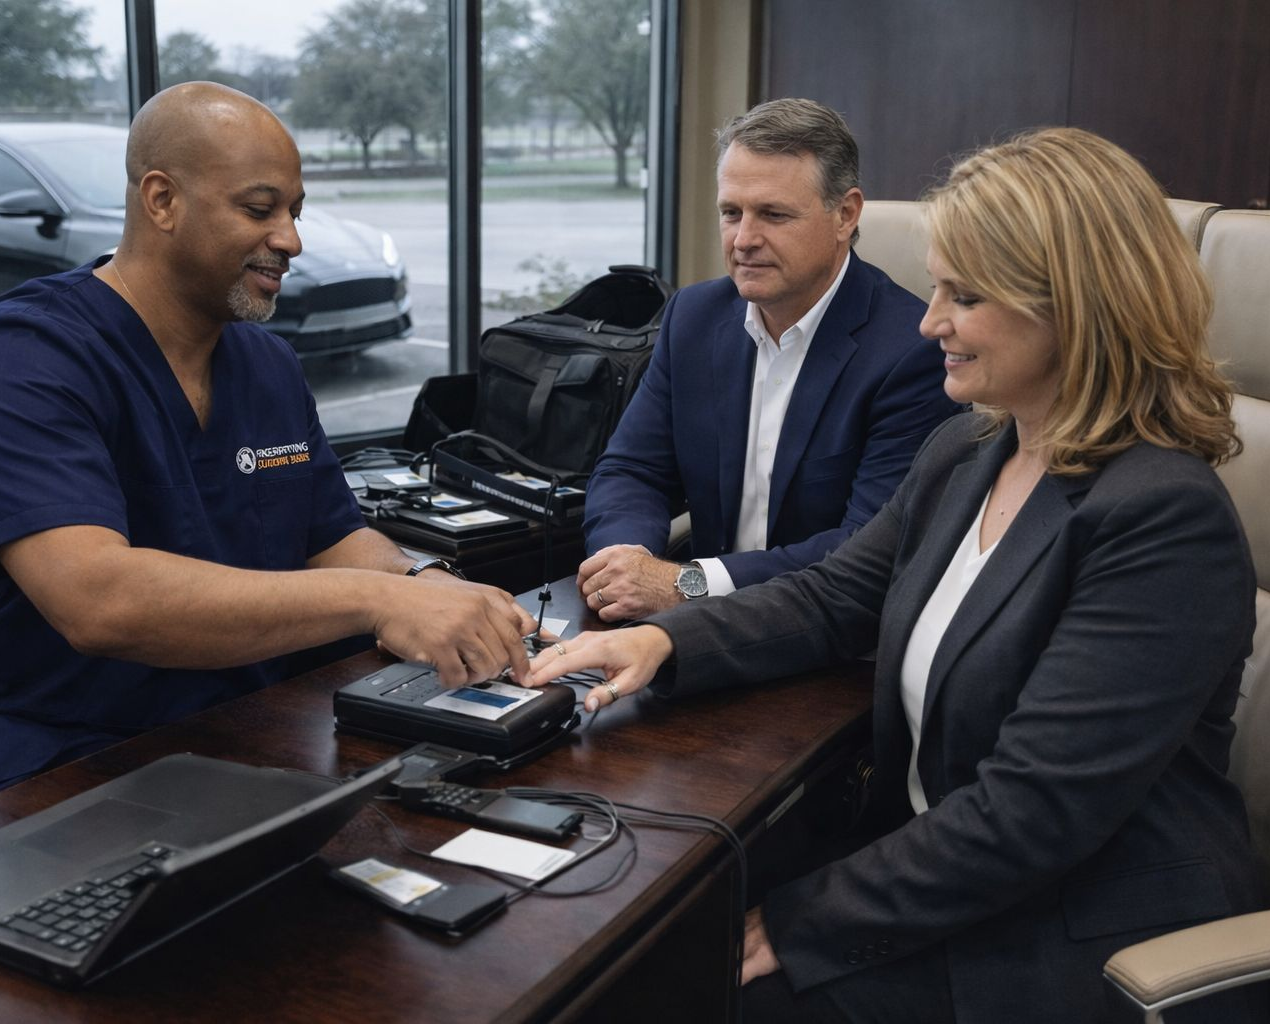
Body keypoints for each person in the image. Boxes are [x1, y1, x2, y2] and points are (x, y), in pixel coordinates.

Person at [528, 127, 1264, 1022]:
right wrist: (658, 641)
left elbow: (1030, 815)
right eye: (937, 285)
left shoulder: (1162, 517)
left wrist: (802, 922)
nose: (928, 321)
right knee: (633, 936)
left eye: (966, 295)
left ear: (1074, 305)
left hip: (1072, 926)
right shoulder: (970, 447)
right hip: (938, 866)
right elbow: (838, 596)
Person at [0, 83, 535, 791]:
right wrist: (379, 602)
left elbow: (330, 539)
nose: (290, 239)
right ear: (161, 201)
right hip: (39, 749)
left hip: (234, 725)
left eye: (294, 211)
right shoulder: (23, 356)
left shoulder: (266, 362)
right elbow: (98, 602)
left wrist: (430, 589)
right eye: (260, 209)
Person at [578, 98, 958, 622]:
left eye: (774, 215)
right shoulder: (694, 315)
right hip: (692, 622)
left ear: (845, 214)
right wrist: (626, 560)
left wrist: (687, 583)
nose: (744, 239)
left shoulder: (911, 350)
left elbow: (864, 550)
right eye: (731, 212)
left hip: (824, 634)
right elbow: (632, 468)